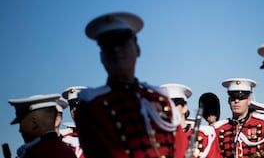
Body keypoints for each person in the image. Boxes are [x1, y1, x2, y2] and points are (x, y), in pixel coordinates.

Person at [74, 12, 186, 158]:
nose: (115, 50)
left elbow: (180, 149)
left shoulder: (160, 99)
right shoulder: (92, 106)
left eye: (122, 42)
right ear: (102, 56)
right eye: (108, 45)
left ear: (137, 49)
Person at [160, 83, 222, 158]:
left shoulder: (205, 137)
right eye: (165, 105)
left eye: (174, 104)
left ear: (184, 107)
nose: (169, 108)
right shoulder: (158, 139)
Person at [8, 94, 77, 158]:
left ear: (34, 122)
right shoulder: (66, 150)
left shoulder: (37, 153)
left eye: (21, 124)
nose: (20, 130)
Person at [214, 78, 264, 158]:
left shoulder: (263, 125)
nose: (236, 101)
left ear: (249, 101)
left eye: (241, 98)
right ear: (229, 101)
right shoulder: (219, 129)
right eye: (233, 98)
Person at [61, 86, 87, 158]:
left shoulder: (102, 131)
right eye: (72, 105)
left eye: (78, 104)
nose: (74, 109)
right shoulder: (63, 138)